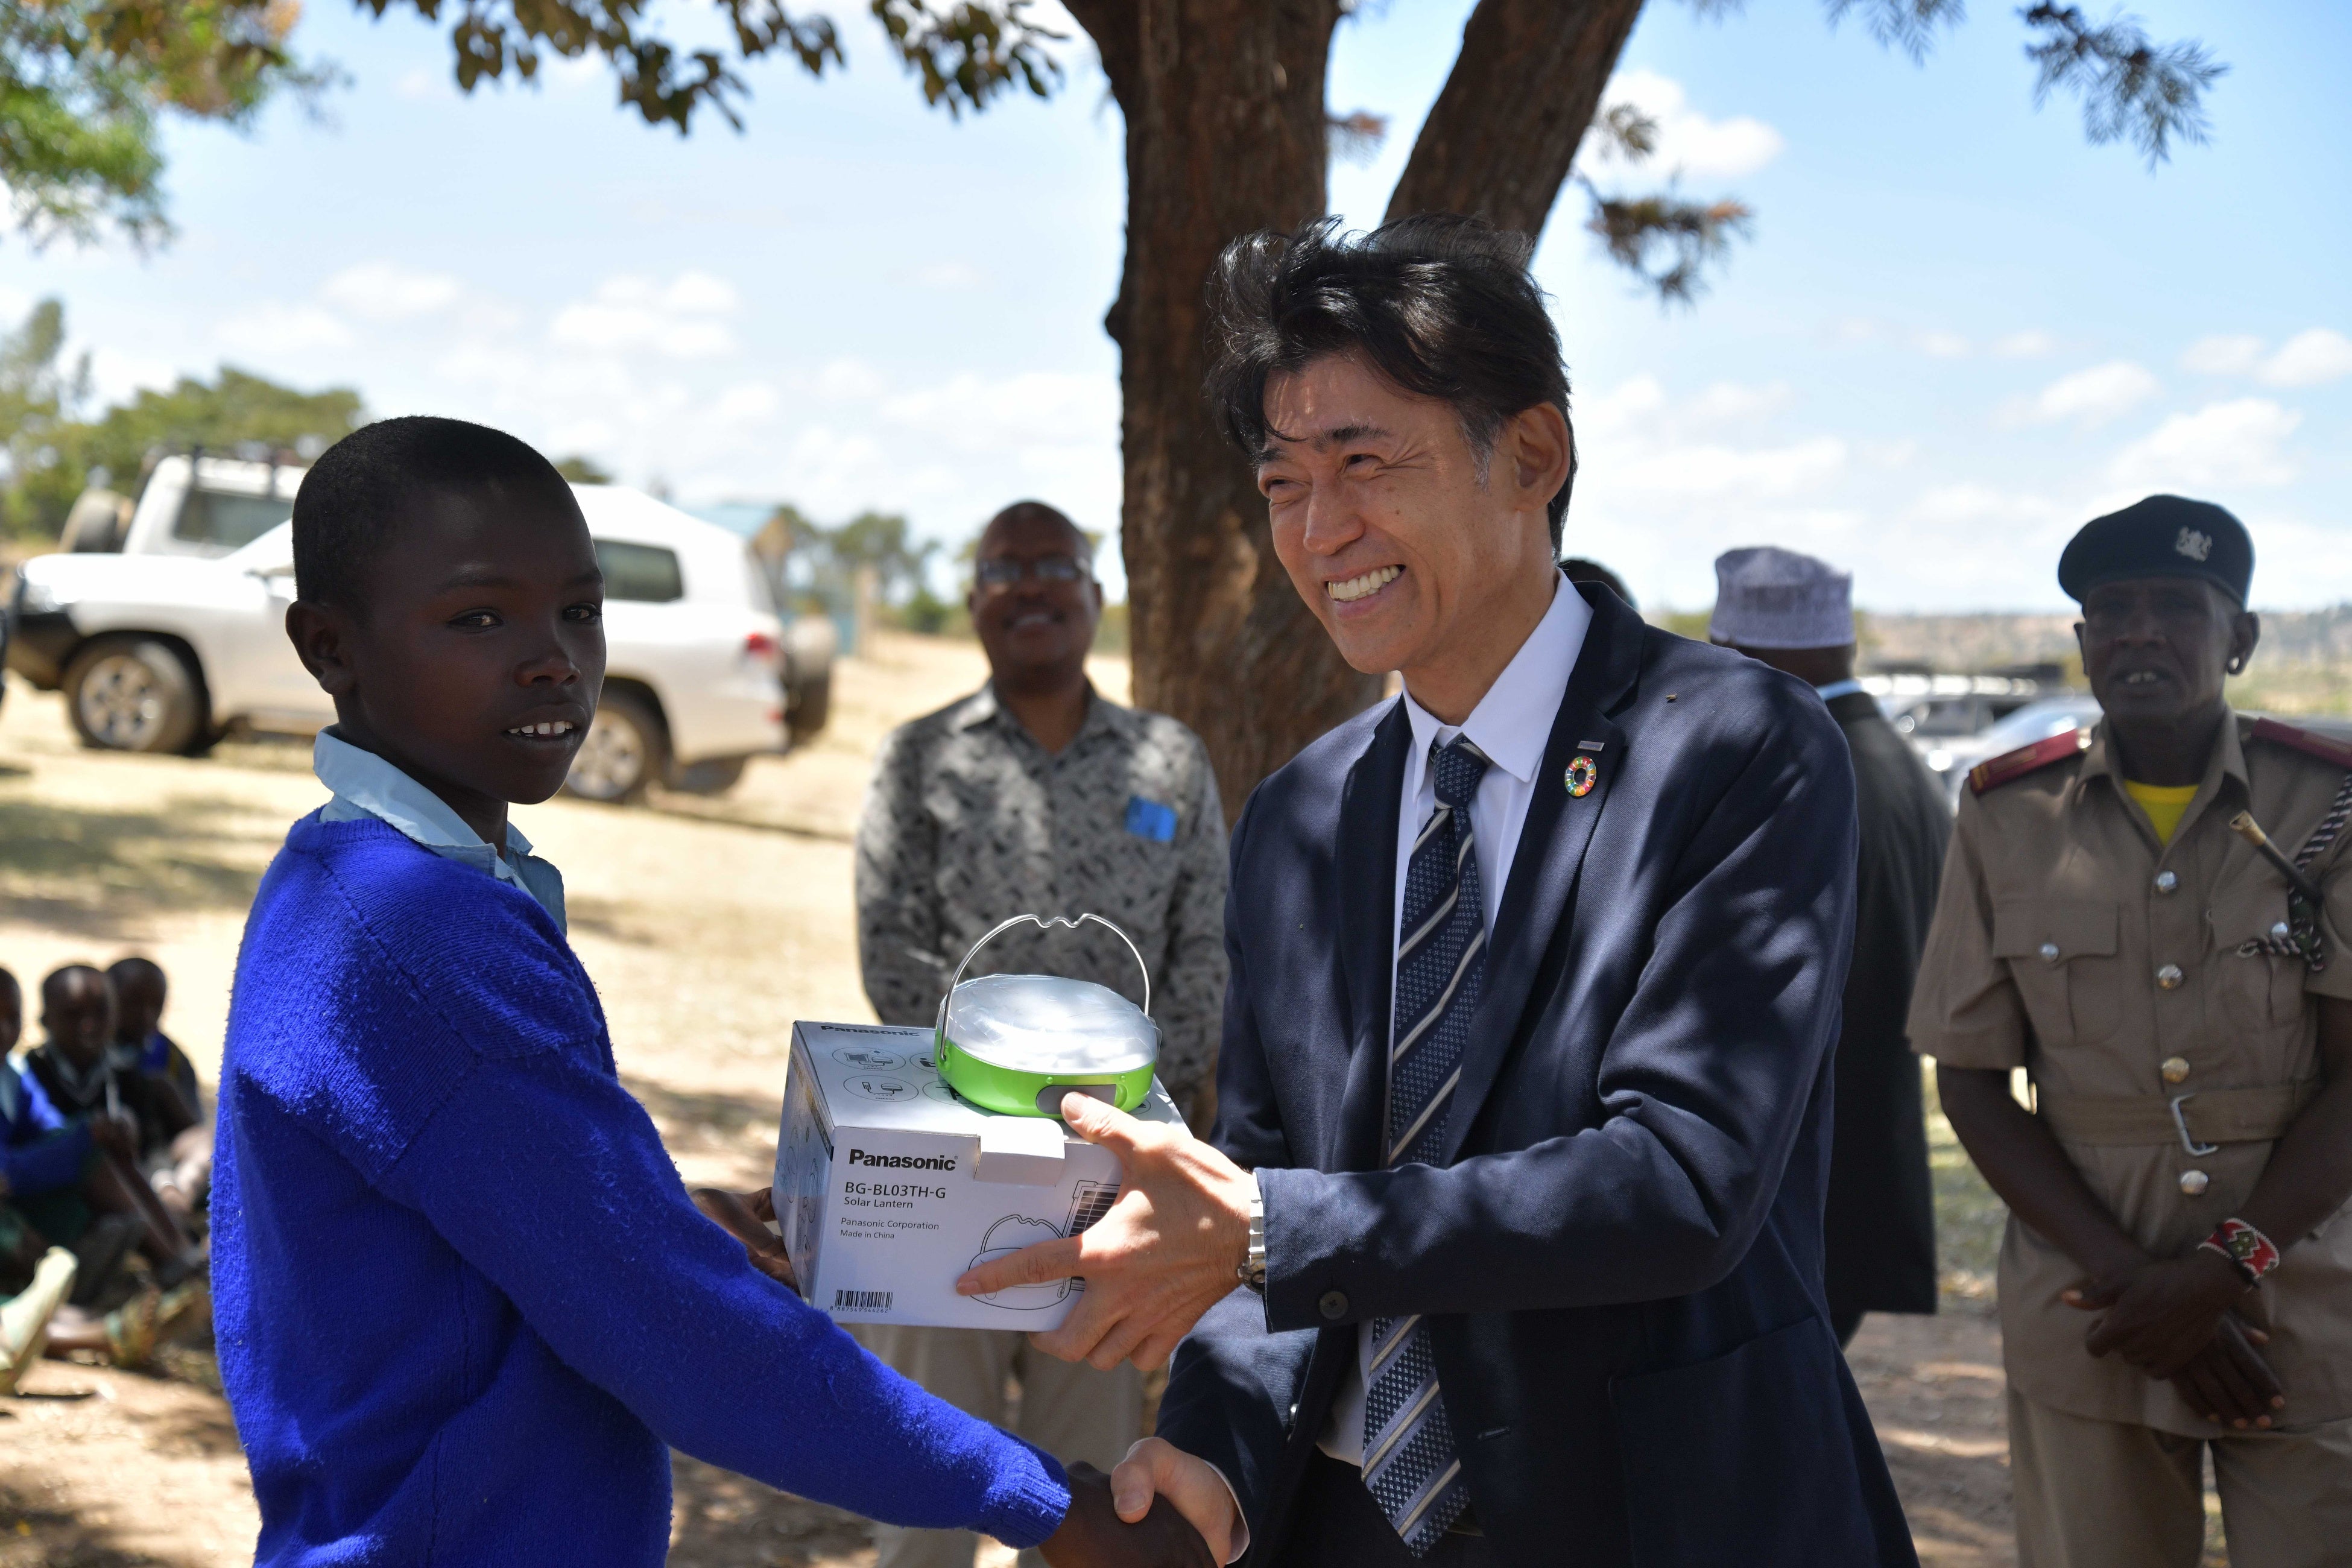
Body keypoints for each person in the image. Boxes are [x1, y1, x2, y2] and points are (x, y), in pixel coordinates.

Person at [961, 216, 1916, 1568]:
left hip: (1660, 1517)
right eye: (1284, 481)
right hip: (1347, 1523)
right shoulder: (1305, 808)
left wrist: (1270, 1230)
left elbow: (1683, 1177)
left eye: (1364, 461)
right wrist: (1216, 1453)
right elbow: (1273, 1181)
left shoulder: (1739, 747)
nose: (1320, 528)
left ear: (1532, 454)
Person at [217, 415, 1221, 1568]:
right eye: (480, 617)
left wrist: (640, 1208)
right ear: (329, 647)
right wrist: (1055, 1507)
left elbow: (474, 1211)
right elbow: (687, 1346)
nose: (553, 657)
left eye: (580, 611)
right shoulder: (426, 940)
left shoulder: (337, 878)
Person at [1910, 495, 2352, 1567]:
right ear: (2081, 643)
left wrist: (2221, 1273)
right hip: (2090, 1317)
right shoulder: (2010, 813)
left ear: (2239, 639)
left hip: (2300, 1306)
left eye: (2177, 607)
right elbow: (1970, 1082)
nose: (2141, 632)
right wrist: (2139, 1285)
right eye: (2112, 610)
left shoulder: (2328, 804)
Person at [853, 499, 1230, 1568]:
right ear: (973, 601)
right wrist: (1006, 1123)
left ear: (1094, 597)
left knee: (1091, 1510)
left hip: (1115, 1196)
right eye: (1003, 569)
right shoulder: (918, 759)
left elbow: (1203, 953)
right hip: (946, 1184)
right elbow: (894, 959)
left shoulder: (1168, 762)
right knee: (926, 1495)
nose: (1030, 587)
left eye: (1054, 566)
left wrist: (1120, 1121)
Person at [1712, 547, 1947, 1347]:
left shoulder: (1815, 767)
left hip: (1805, 1175)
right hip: (1858, 1157)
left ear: (1765, 653)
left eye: (1730, 652)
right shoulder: (1888, 758)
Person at [104, 956, 211, 1221]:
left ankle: (179, 1200)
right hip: (115, 1161)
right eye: (132, 1003)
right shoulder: (89, 1051)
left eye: (156, 1005)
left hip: (166, 1161)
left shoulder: (170, 1057)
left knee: (212, 1142)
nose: (146, 1015)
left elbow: (191, 1126)